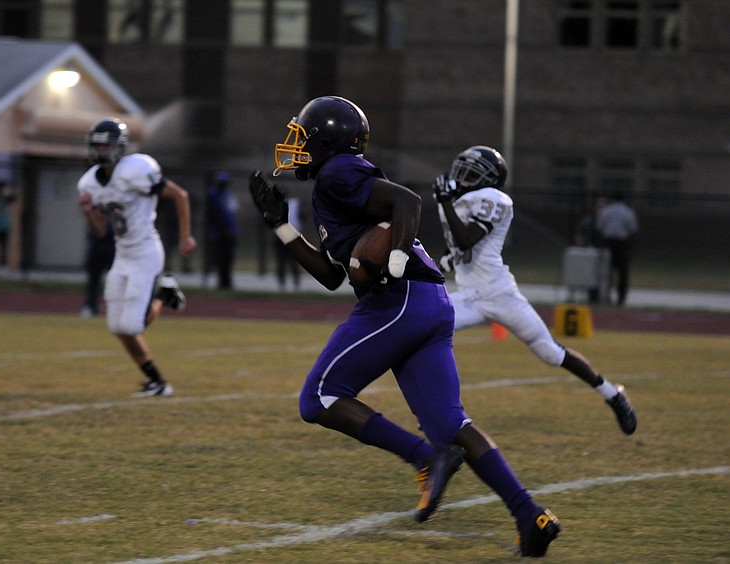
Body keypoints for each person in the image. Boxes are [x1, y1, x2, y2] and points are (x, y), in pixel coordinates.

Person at [249, 96, 559, 557]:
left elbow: (406, 201)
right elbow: (334, 274)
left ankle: (423, 457)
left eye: (303, 137)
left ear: (326, 142)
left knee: (319, 398)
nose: (296, 146)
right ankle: (530, 516)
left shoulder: (339, 172)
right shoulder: (332, 186)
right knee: (451, 424)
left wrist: (392, 261)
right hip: (428, 303)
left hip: (399, 299)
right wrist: (280, 226)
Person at [432, 145, 637, 436]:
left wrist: (446, 202)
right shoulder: (457, 201)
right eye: (461, 172)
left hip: (499, 294)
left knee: (550, 353)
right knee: (425, 331)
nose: (462, 179)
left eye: (471, 175)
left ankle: (612, 395)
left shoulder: (494, 198)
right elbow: (459, 247)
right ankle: (436, 411)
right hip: (469, 296)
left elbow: (466, 239)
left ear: (488, 180)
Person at [78, 118, 196, 397]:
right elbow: (100, 230)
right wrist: (87, 211)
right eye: (97, 145)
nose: (101, 150)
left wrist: (185, 237)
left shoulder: (136, 170)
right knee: (118, 327)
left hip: (146, 251)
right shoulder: (89, 183)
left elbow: (179, 195)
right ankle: (156, 382)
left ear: (119, 147)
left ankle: (161, 297)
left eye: (106, 144)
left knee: (133, 324)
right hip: (123, 253)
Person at [596, 190, 638, 306]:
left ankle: (605, 296)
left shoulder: (607, 211)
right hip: (622, 243)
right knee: (623, 272)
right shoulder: (627, 212)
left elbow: (600, 226)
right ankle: (621, 298)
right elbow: (633, 229)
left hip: (608, 242)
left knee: (606, 271)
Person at [205, 171, 238, 289]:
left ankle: (227, 281)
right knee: (220, 258)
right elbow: (212, 214)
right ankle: (222, 282)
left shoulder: (228, 194)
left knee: (228, 258)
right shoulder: (214, 194)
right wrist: (220, 228)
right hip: (220, 233)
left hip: (230, 231)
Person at [80, 219, 116, 318]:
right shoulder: (96, 206)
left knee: (117, 279)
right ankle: (90, 307)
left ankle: (116, 307)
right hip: (96, 243)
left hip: (114, 243)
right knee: (93, 280)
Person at [274, 195, 302, 292]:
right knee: (284, 260)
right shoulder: (280, 205)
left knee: (291, 259)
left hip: (289, 235)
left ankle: (294, 279)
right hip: (284, 235)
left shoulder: (293, 204)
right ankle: (284, 280)